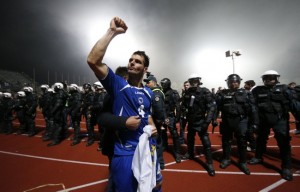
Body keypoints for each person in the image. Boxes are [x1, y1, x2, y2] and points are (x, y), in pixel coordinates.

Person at [87, 17, 160, 192]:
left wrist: (153, 125)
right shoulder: (118, 85)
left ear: (145, 69)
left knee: (155, 188)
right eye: (131, 60)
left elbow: (147, 114)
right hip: (126, 152)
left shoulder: (149, 92)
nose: (132, 62)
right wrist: (112, 32)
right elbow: (93, 60)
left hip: (148, 150)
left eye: (138, 61)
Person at [249, 70, 293, 181]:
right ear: (263, 79)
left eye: (272, 77)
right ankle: (258, 157)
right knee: (260, 139)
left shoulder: (284, 89)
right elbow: (252, 105)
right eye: (267, 77)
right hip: (263, 119)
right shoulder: (257, 90)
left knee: (283, 142)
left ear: (276, 78)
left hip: (280, 120)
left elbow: (293, 103)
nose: (269, 79)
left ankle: (286, 167)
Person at [216, 74, 259, 175]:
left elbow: (253, 109)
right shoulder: (222, 94)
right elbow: (216, 107)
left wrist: (255, 122)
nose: (233, 83)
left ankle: (243, 162)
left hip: (241, 120)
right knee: (226, 141)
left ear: (239, 82)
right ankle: (226, 159)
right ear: (228, 82)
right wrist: (213, 119)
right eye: (231, 82)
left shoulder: (247, 93)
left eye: (235, 82)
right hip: (227, 120)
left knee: (242, 141)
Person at [181, 74, 216, 176]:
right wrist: (184, 112)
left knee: (206, 143)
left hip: (201, 121)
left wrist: (207, 122)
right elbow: (184, 105)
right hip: (191, 121)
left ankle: (209, 164)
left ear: (199, 81)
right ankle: (190, 154)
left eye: (196, 80)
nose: (194, 83)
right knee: (190, 139)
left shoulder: (205, 91)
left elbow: (211, 108)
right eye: (192, 81)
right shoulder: (188, 92)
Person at [144, 74, 166, 170]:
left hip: (155, 121)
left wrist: (159, 122)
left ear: (154, 82)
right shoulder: (152, 91)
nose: (147, 84)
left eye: (148, 82)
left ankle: (160, 162)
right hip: (154, 121)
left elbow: (158, 109)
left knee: (157, 141)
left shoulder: (156, 93)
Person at [160, 77, 182, 163]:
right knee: (162, 132)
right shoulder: (161, 92)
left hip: (170, 116)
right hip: (162, 116)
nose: (162, 85)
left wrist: (177, 116)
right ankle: (165, 146)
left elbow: (178, 105)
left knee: (174, 134)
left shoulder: (174, 93)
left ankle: (177, 153)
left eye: (163, 84)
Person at [48, 82, 68, 146]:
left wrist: (52, 111)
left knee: (57, 126)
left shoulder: (60, 93)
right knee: (59, 125)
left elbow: (58, 104)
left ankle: (55, 140)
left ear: (59, 87)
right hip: (59, 111)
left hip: (58, 112)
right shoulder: (61, 93)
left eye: (55, 86)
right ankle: (60, 136)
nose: (54, 88)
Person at [244, 80, 257, 152]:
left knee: (249, 131)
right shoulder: (253, 90)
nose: (244, 86)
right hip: (253, 114)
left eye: (245, 84)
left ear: (250, 85)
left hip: (252, 115)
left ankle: (253, 146)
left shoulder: (254, 91)